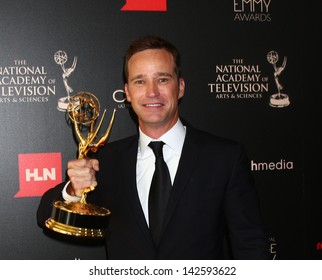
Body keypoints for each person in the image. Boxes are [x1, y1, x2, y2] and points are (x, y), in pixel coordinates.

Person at [37, 35, 270, 260]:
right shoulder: (106, 161)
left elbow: (250, 246)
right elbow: (44, 215)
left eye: (162, 79)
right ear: (127, 92)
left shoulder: (224, 158)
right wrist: (74, 190)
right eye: (140, 81)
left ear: (180, 87)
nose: (152, 92)